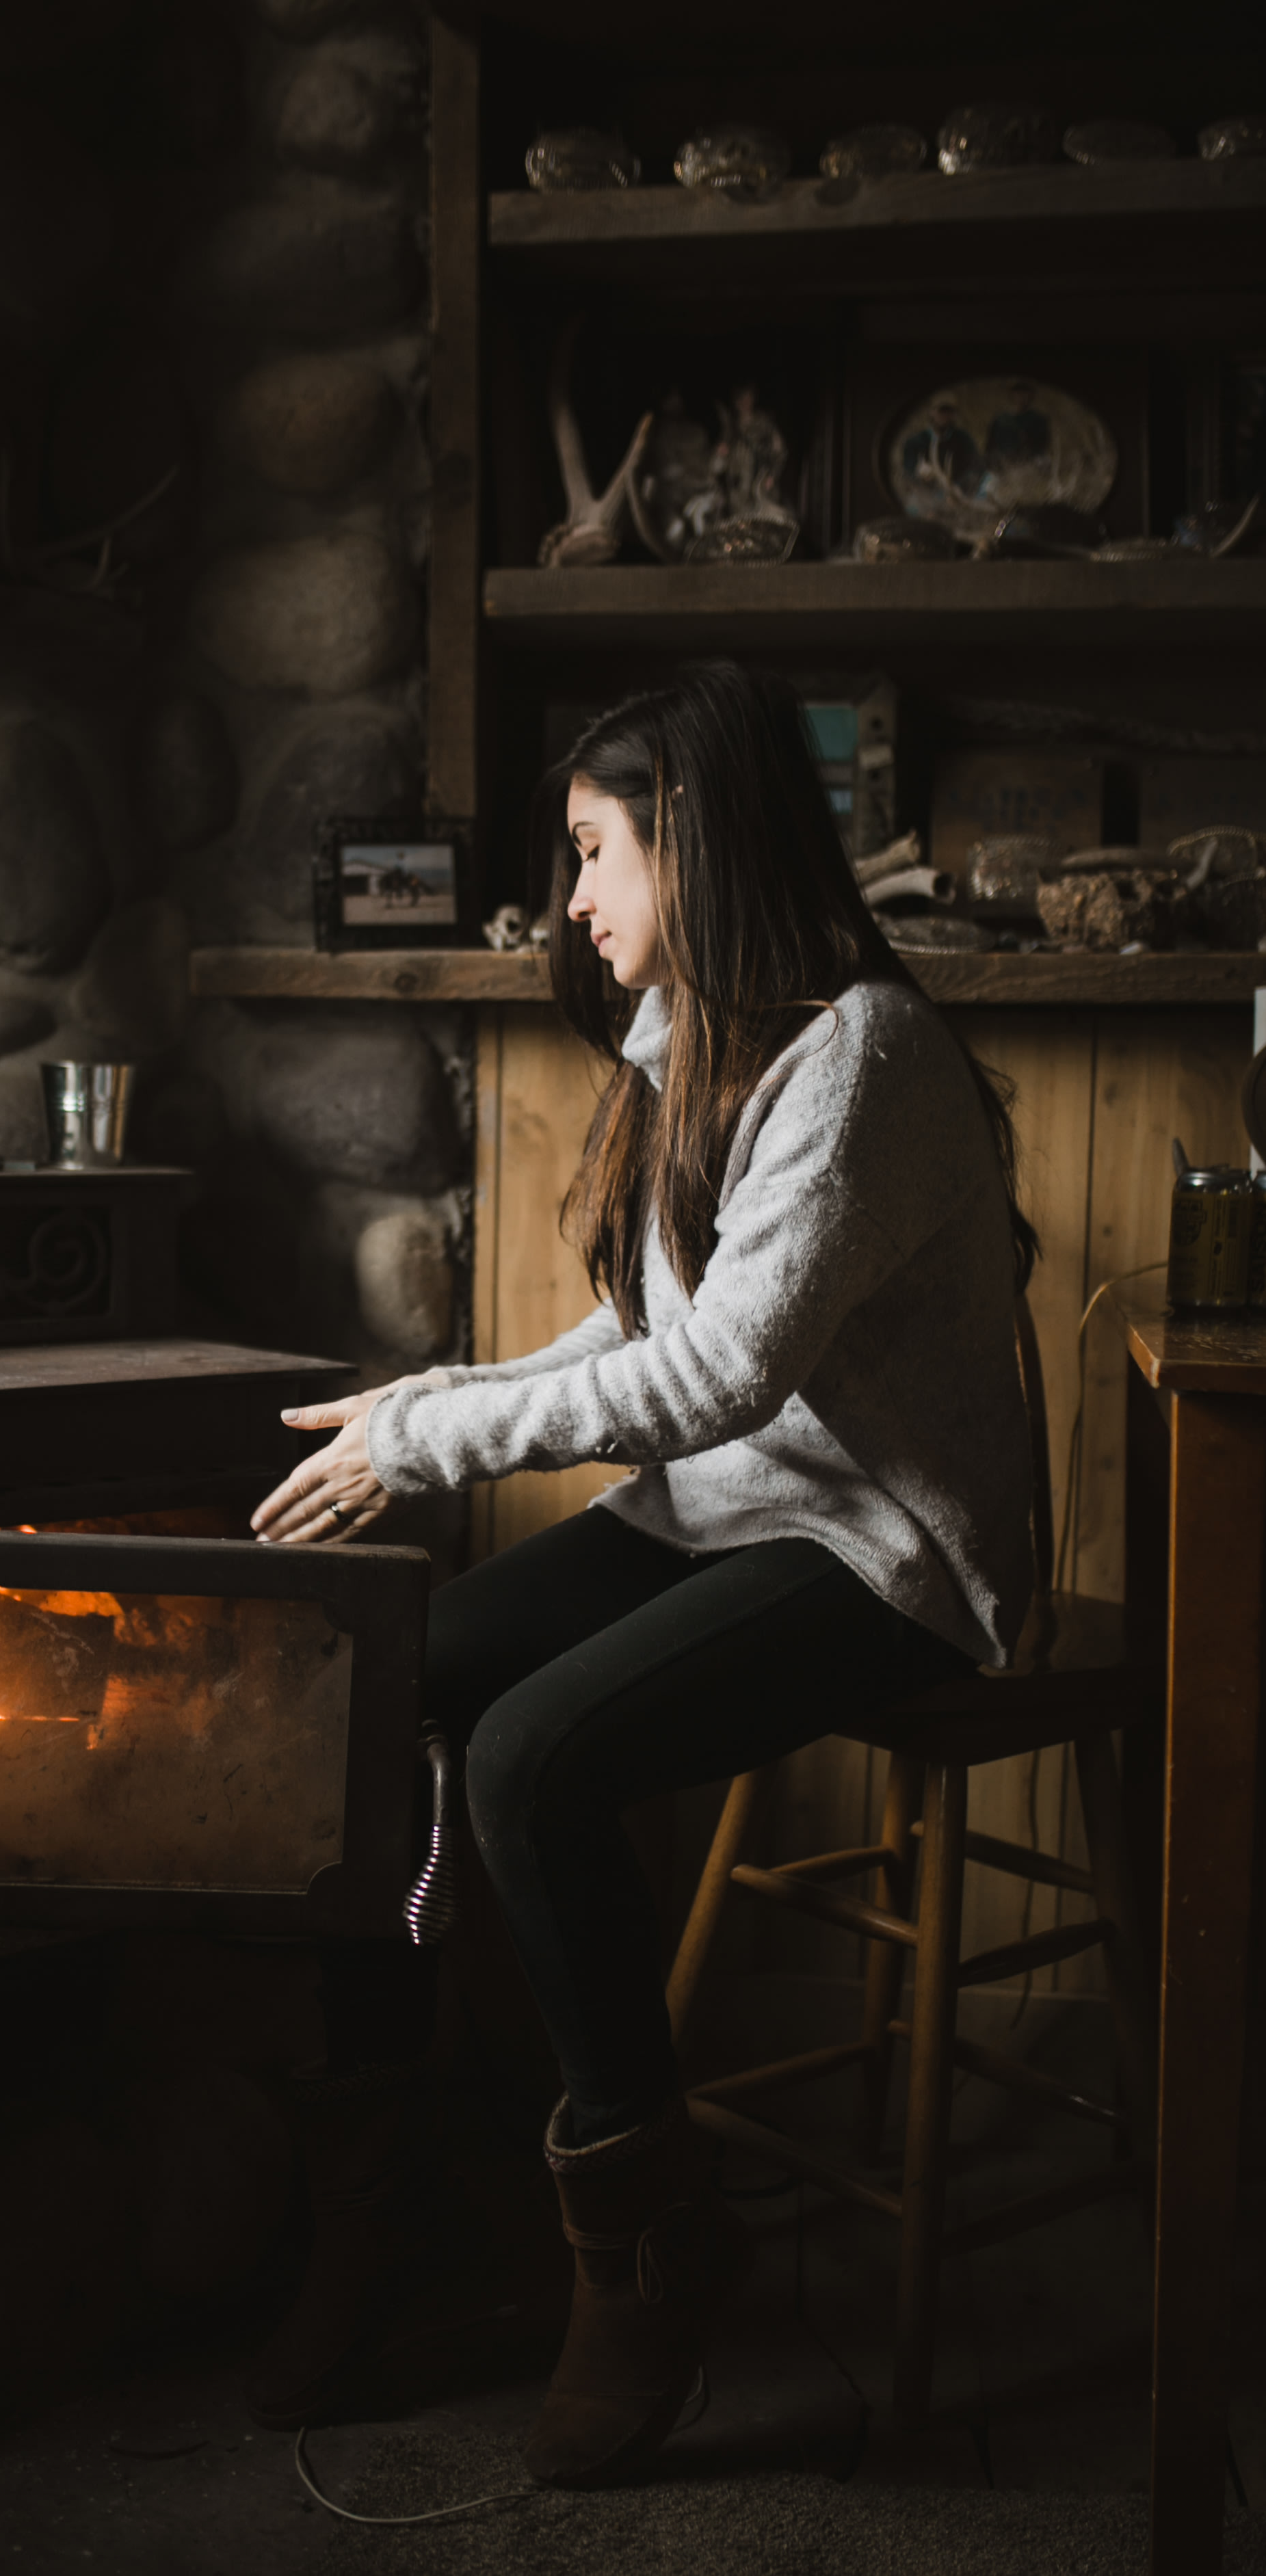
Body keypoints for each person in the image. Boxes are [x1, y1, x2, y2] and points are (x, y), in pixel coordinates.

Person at [244, 664, 1038, 2486]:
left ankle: (644, 2226)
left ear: (697, 839)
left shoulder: (861, 1058)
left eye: (596, 852)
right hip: (725, 1508)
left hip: (877, 1549)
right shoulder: (699, 1049)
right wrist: (435, 1394)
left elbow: (723, 1376)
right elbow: (634, 1335)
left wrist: (430, 1449)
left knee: (528, 1756)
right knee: (391, 1690)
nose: (573, 899)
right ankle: (402, 2212)